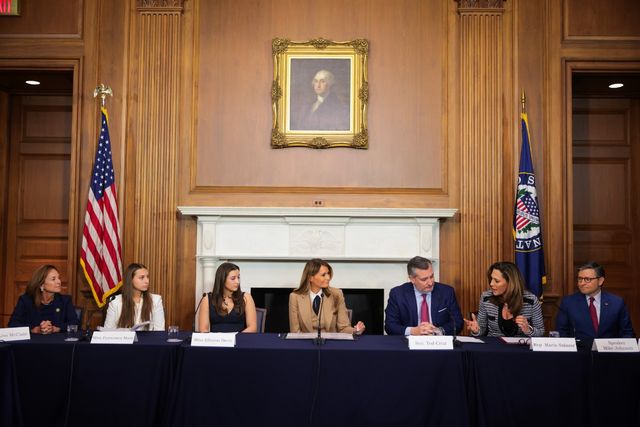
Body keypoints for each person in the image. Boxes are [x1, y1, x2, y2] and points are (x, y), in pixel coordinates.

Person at [385, 256, 463, 336]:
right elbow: (390, 326)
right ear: (412, 279)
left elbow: (458, 322)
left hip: (438, 341)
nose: (430, 283)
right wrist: (412, 331)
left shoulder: (446, 292)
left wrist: (439, 331)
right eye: (424, 279)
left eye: (431, 276)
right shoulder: (398, 294)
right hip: (409, 341)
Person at [555, 261, 634, 339]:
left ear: (600, 281)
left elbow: (627, 333)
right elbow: (561, 333)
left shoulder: (617, 303)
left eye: (587, 279)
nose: (581, 283)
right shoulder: (568, 303)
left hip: (608, 347)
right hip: (580, 347)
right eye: (580, 279)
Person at [464, 261, 544, 337]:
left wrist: (528, 330)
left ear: (511, 283)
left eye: (496, 281)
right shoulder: (486, 298)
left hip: (521, 345)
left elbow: (540, 332)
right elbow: (481, 329)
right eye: (491, 279)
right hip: (494, 344)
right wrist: (476, 330)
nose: (491, 284)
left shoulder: (531, 300)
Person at [289, 258, 365, 334]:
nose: (328, 277)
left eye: (328, 273)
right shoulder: (295, 297)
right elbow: (295, 332)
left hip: (331, 341)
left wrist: (356, 331)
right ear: (310, 278)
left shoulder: (337, 294)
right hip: (305, 341)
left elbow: (343, 328)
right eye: (323, 275)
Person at [9, 264, 79, 334]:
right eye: (53, 279)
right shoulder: (26, 301)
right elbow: (13, 324)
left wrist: (55, 329)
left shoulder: (65, 301)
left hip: (57, 340)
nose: (59, 282)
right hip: (33, 340)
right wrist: (34, 329)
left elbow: (75, 323)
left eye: (59, 278)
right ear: (41, 284)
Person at [197, 262, 257, 333]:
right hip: (216, 340)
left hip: (240, 339)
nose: (237, 282)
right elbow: (203, 329)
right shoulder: (207, 299)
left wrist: (235, 338)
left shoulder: (246, 297)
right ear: (222, 279)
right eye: (233, 278)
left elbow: (252, 327)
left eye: (238, 277)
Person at [103, 263, 165, 330]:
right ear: (130, 279)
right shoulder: (115, 301)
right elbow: (108, 331)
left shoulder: (156, 300)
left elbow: (159, 330)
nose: (147, 281)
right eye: (141, 277)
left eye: (147, 277)